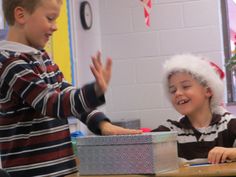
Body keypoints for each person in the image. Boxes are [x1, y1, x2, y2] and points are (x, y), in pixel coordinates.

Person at [0, 0, 141, 176]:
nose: (55, 27)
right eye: (50, 18)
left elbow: (67, 95)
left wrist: (102, 124)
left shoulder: (43, 57)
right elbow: (52, 103)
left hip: (64, 170)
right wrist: (94, 91)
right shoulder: (9, 62)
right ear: (21, 15)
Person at [152, 54, 236, 164]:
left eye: (185, 86)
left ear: (208, 91)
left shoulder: (229, 125)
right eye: (172, 90)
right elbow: (137, 151)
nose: (177, 93)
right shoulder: (170, 131)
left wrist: (232, 152)